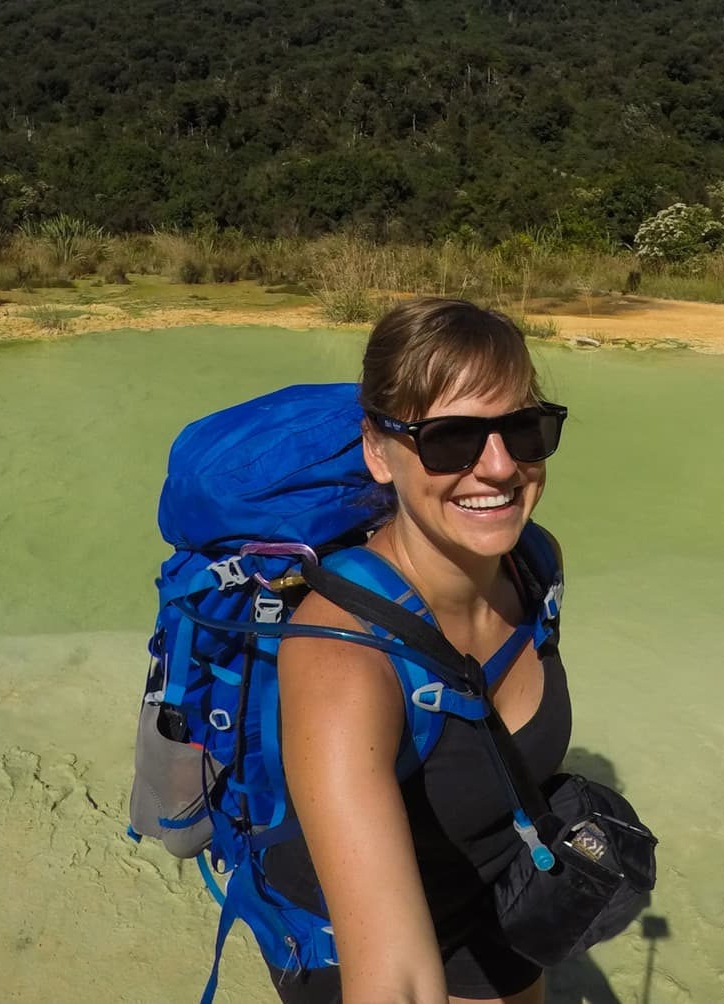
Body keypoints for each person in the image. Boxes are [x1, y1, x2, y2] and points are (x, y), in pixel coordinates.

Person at [271, 297, 573, 1004]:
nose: (499, 467)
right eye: (449, 439)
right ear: (379, 451)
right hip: (357, 946)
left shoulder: (535, 563)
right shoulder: (341, 658)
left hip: (496, 914)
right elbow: (397, 983)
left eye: (523, 429)